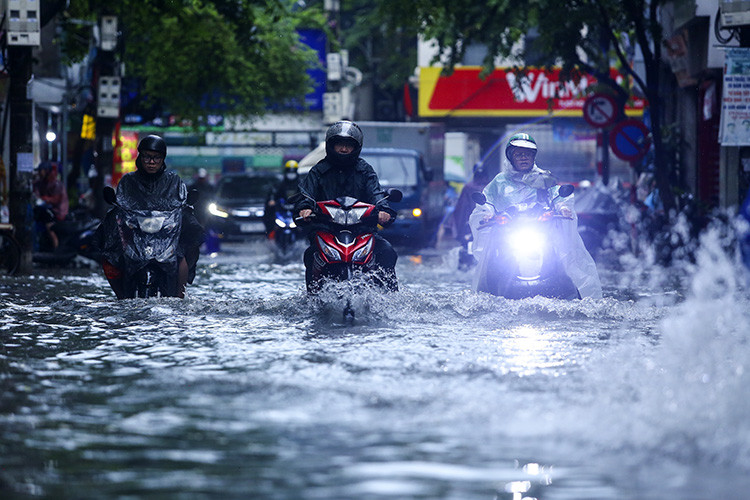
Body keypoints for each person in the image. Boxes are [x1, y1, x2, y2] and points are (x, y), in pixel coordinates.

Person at [469, 133, 602, 299]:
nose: (524, 158)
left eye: (528, 154)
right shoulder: (499, 181)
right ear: (510, 157)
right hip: (507, 233)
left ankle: (572, 295)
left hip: (540, 231)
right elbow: (487, 201)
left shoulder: (544, 178)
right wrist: (487, 213)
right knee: (493, 264)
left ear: (534, 156)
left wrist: (562, 207)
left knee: (562, 259)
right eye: (519, 154)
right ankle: (487, 296)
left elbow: (557, 195)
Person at [94, 135, 205, 299]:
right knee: (109, 251)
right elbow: (121, 205)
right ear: (140, 157)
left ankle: (180, 296)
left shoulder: (174, 181)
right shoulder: (128, 181)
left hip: (166, 236)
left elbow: (182, 204)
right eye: (147, 157)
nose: (151, 162)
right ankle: (121, 296)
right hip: (135, 235)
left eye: (156, 158)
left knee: (182, 250)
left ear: (162, 159)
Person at [295, 120, 398, 292]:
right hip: (326, 230)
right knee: (310, 255)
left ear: (356, 147)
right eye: (339, 145)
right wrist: (305, 208)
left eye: (348, 145)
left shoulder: (365, 170)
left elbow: (377, 194)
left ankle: (391, 298)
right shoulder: (318, 171)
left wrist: (384, 210)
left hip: (362, 231)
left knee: (387, 251)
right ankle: (312, 300)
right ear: (330, 146)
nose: (344, 149)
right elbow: (306, 194)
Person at [451, 163, 490, 269]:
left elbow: (461, 209)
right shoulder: (491, 186)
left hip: (471, 223)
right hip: (486, 223)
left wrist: (459, 230)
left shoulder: (469, 187)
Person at [33, 161, 69, 250]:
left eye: (41, 171)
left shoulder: (56, 184)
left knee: (49, 227)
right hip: (49, 210)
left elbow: (56, 200)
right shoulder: (43, 182)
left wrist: (45, 198)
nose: (39, 173)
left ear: (46, 171)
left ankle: (56, 247)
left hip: (58, 212)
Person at [264, 160, 300, 236]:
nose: (291, 174)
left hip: (296, 210)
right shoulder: (280, 183)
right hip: (282, 210)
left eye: (293, 171)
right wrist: (272, 200)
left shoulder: (301, 184)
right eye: (289, 171)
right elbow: (273, 193)